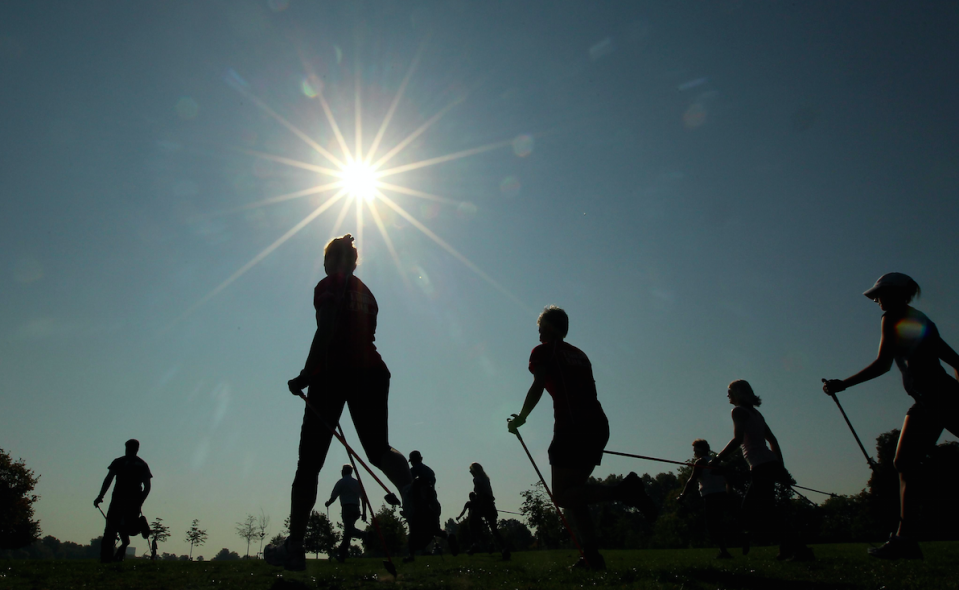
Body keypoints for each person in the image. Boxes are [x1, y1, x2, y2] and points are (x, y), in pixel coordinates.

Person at [266, 234, 413, 571]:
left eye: (327, 259)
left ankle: (295, 546)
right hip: (372, 372)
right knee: (378, 449)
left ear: (332, 260)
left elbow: (328, 327)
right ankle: (410, 491)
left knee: (309, 464)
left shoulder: (328, 284)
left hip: (331, 374)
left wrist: (306, 374)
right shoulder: (368, 293)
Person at [507, 306, 657, 570]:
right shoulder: (579, 354)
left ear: (551, 327)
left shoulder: (543, 351)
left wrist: (522, 417)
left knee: (563, 496)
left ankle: (624, 491)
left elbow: (539, 384)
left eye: (541, 326)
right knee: (575, 494)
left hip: (572, 427)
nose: (538, 331)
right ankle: (592, 556)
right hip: (598, 425)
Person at [823, 273, 959, 559]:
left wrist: (842, 384)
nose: (876, 300)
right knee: (904, 462)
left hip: (937, 398)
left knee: (905, 463)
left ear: (896, 293)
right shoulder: (920, 318)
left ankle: (906, 539)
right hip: (930, 399)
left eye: (879, 294)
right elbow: (955, 361)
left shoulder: (894, 317)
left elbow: (883, 365)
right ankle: (905, 539)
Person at [712, 380, 813, 561]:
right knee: (757, 509)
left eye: (729, 392)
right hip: (768, 463)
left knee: (765, 511)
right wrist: (780, 466)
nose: (727, 395)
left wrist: (717, 458)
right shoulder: (756, 414)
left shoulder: (738, 411)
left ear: (738, 393)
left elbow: (737, 439)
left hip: (761, 465)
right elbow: (773, 440)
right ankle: (785, 549)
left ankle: (799, 549)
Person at [94, 439, 151, 563]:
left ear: (126, 448)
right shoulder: (142, 464)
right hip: (133, 502)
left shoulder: (119, 462)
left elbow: (108, 479)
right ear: (137, 449)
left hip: (117, 501)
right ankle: (123, 547)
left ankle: (106, 558)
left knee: (111, 529)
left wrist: (100, 496)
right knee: (128, 527)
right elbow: (147, 487)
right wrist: (140, 501)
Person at [677, 439, 732, 559]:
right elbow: (727, 478)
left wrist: (683, 495)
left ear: (699, 449)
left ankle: (724, 551)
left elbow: (691, 480)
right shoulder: (715, 462)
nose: (694, 452)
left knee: (712, 526)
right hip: (721, 494)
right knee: (718, 523)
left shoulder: (700, 462)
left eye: (695, 450)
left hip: (711, 495)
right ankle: (725, 550)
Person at [403, 451, 457, 562]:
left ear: (412, 461)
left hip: (420, 507)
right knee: (435, 529)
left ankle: (411, 556)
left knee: (413, 530)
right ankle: (448, 537)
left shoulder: (413, 472)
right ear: (421, 458)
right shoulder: (430, 471)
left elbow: (410, 488)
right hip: (433, 504)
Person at [465, 463, 510, 559]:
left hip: (483, 504)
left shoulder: (477, 479)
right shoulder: (486, 478)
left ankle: (475, 544)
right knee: (494, 529)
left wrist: (479, 505)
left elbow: (480, 493)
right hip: (490, 504)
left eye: (471, 470)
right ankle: (504, 548)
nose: (470, 472)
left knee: (472, 523)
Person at [323, 465, 366, 562]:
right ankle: (341, 556)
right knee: (347, 533)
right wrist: (364, 512)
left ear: (343, 472)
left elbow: (334, 497)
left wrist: (328, 503)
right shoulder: (356, 482)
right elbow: (363, 498)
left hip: (347, 508)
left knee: (349, 531)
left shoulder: (341, 482)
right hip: (356, 508)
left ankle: (365, 535)